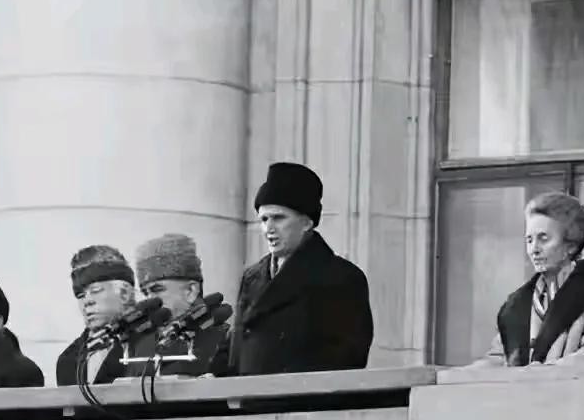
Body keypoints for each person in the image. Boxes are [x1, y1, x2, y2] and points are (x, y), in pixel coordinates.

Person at [213, 162, 374, 376]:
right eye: (264, 219)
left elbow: (347, 359)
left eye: (279, 218)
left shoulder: (342, 278)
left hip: (296, 396)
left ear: (307, 222)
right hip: (247, 396)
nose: (268, 229)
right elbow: (235, 349)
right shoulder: (252, 277)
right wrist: (215, 375)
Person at [464, 192, 584, 367]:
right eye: (529, 240)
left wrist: (538, 373)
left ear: (571, 246)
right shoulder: (515, 306)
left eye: (543, 239)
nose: (534, 249)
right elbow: (498, 359)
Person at [134, 234, 230, 377]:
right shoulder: (144, 345)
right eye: (145, 293)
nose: (149, 301)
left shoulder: (222, 338)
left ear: (190, 290)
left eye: (157, 290)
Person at [57, 245, 152, 385]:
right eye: (80, 295)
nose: (87, 301)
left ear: (124, 294)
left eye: (95, 291)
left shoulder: (155, 344)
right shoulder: (69, 359)